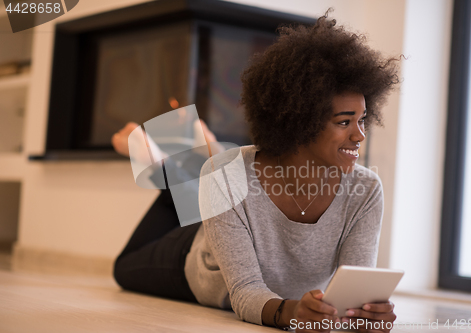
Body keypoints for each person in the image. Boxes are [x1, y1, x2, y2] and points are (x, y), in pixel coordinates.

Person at [113, 11, 400, 333]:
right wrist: (292, 312)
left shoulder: (365, 188)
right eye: (344, 122)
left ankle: (194, 167)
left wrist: (365, 314)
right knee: (123, 269)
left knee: (219, 178)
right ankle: (171, 172)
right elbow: (245, 292)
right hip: (198, 259)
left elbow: (353, 289)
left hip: (227, 189)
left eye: (362, 120)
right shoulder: (226, 177)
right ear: (299, 122)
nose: (360, 135)